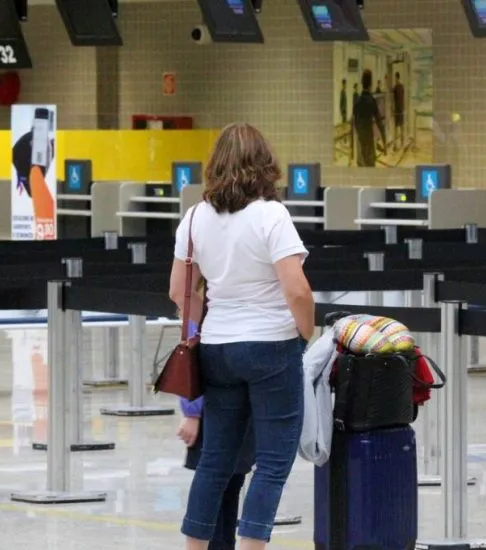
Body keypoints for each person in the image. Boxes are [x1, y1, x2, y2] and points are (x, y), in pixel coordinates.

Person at [171, 122, 314, 550]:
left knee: (216, 459)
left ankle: (194, 547)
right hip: (272, 345)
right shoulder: (272, 214)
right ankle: (253, 545)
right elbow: (297, 288)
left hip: (217, 347)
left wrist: (212, 319)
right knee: (272, 460)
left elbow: (181, 291)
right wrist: (305, 333)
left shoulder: (194, 217)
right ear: (265, 164)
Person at [176, 314, 257, 550]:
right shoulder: (205, 310)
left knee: (231, 486)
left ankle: (223, 544)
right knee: (216, 485)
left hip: (241, 408)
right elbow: (190, 358)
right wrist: (192, 412)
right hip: (212, 411)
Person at [352, 69, 387, 167]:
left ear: (362, 83)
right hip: (369, 142)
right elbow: (380, 123)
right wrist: (384, 143)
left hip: (360, 143)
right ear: (371, 84)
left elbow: (354, 122)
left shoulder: (357, 101)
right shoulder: (372, 101)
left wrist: (359, 133)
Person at [392, 72, 406, 151]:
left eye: (395, 78)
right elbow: (402, 99)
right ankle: (401, 144)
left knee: (397, 128)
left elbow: (394, 100)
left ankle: (396, 145)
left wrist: (393, 109)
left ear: (397, 77)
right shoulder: (401, 87)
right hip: (400, 110)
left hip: (398, 110)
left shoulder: (396, 87)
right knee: (400, 127)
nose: (395, 79)